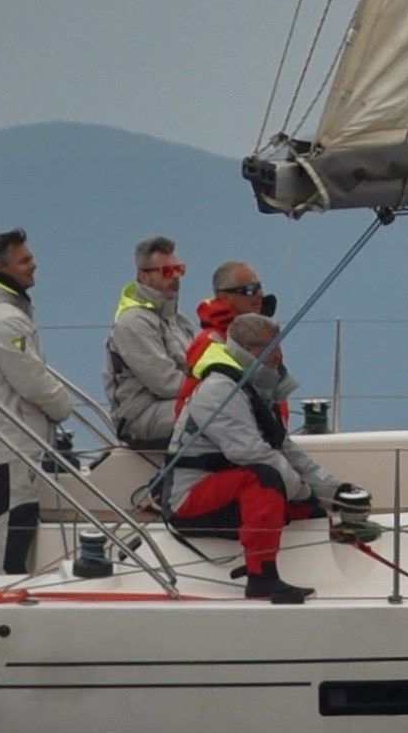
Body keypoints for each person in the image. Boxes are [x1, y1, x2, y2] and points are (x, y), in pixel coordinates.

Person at [162, 301, 352, 603]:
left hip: (226, 489)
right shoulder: (220, 390)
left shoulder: (253, 388)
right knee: (264, 478)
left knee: (305, 505)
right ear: (248, 350)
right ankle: (262, 577)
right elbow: (253, 455)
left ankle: (331, 558)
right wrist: (304, 491)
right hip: (189, 499)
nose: (279, 356)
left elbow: (284, 448)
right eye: (272, 347)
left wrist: (333, 492)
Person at [0, 231, 94, 577]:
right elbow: (30, 379)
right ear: (2, 267)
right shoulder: (5, 319)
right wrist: (63, 406)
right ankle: (4, 578)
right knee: (15, 511)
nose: (34, 265)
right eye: (25, 260)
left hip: (7, 432)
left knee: (6, 509)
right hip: (13, 434)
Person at [106, 237, 193, 454]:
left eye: (179, 269)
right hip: (140, 416)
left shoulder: (179, 320)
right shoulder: (133, 323)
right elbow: (165, 383)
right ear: (143, 276)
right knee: (218, 412)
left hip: (176, 405)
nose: (175, 276)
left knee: (233, 408)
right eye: (166, 271)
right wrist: (213, 391)